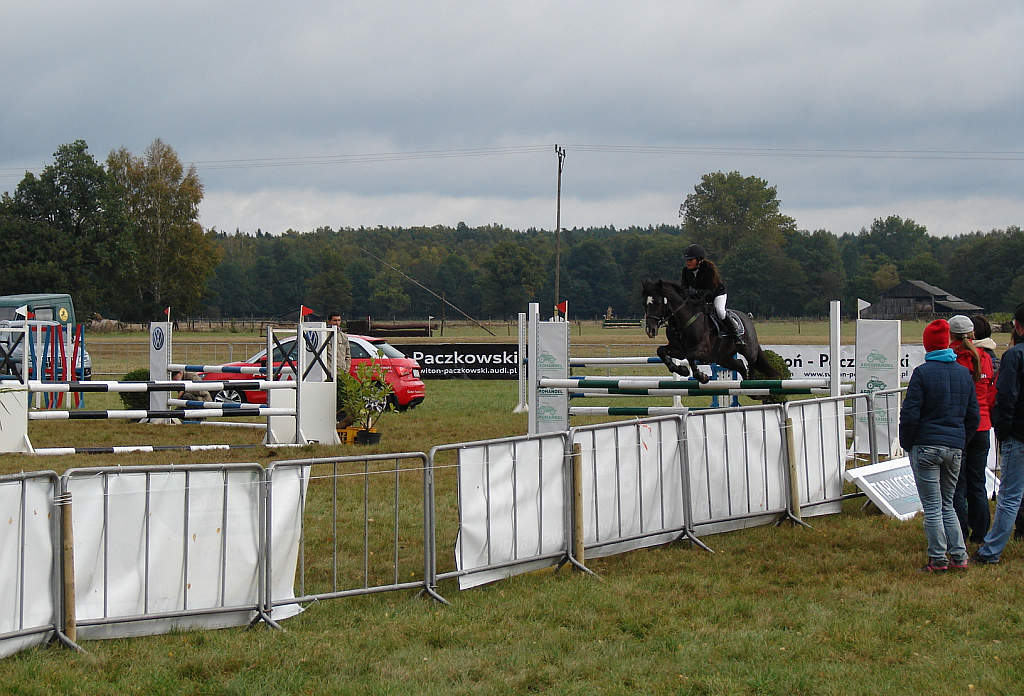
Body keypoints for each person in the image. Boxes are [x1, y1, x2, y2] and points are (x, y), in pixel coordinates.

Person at [899, 319, 979, 572]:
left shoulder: (922, 373)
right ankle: (959, 555)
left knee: (932, 507)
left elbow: (910, 414)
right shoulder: (964, 373)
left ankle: (938, 558)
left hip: (925, 446)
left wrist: (907, 442)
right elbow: (973, 416)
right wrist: (960, 441)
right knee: (948, 504)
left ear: (927, 345)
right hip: (954, 446)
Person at [975, 303, 1024, 564]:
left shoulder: (1015, 356)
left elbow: (1006, 397)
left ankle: (990, 551)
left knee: (1010, 495)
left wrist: (1003, 429)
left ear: (1017, 326)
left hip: (1018, 433)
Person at [948, 315, 995, 544]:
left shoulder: (954, 359)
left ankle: (959, 532)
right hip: (983, 426)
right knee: (978, 482)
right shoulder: (984, 358)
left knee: (957, 483)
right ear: (973, 334)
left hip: (960, 426)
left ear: (951, 335)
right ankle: (981, 533)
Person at [679, 243, 744, 345]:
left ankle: (736, 335)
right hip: (700, 297)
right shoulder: (685, 271)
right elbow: (684, 287)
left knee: (720, 311)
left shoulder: (708, 269)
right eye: (687, 260)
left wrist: (695, 293)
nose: (688, 262)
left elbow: (710, 290)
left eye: (690, 260)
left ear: (699, 260)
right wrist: (687, 295)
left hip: (717, 294)